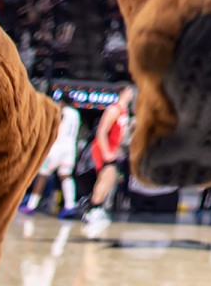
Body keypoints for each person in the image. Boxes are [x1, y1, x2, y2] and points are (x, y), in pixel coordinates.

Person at [85, 86, 133, 226]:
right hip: (105, 148)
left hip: (114, 149)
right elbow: (102, 131)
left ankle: (96, 207)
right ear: (122, 92)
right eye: (129, 91)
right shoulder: (114, 110)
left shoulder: (124, 111)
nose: (132, 94)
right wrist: (106, 151)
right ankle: (93, 208)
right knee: (106, 178)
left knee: (109, 179)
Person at [25, 101, 82, 216]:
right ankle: (70, 205)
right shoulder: (76, 113)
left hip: (55, 149)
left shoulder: (62, 111)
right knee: (66, 175)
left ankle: (31, 205)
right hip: (70, 149)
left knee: (42, 174)